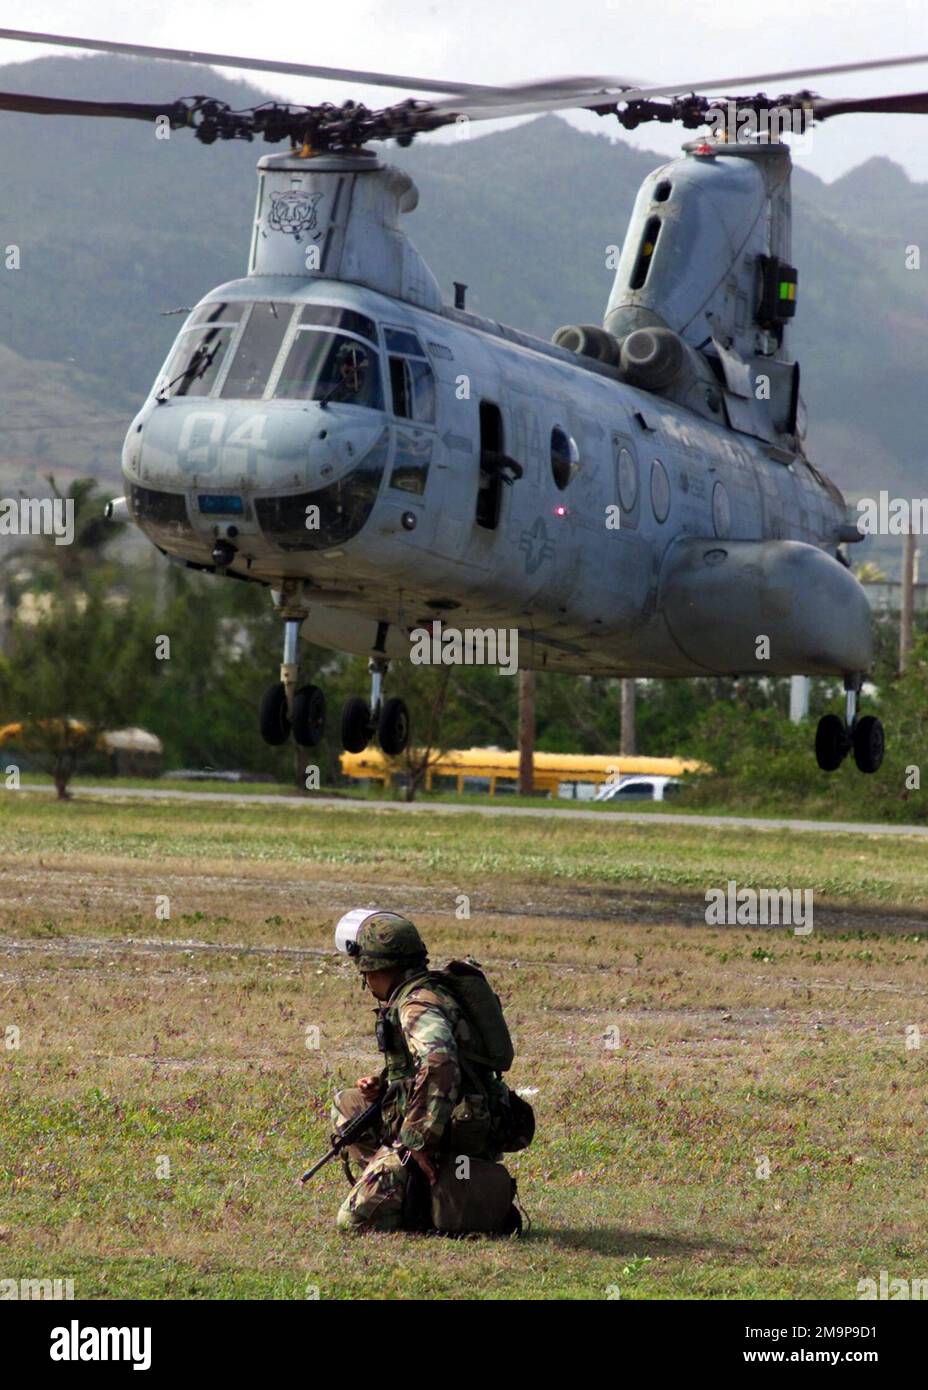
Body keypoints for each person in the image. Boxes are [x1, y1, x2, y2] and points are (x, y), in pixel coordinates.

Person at [330, 908, 511, 1234]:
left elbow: (440, 1062)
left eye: (366, 974)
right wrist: (385, 1085)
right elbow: (428, 1063)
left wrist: (418, 1140)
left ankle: (418, 1191)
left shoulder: (416, 1004)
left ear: (379, 969)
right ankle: (403, 1181)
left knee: (353, 1221)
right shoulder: (432, 991)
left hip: (450, 1133)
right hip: (453, 1115)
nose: (367, 983)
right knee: (349, 1105)